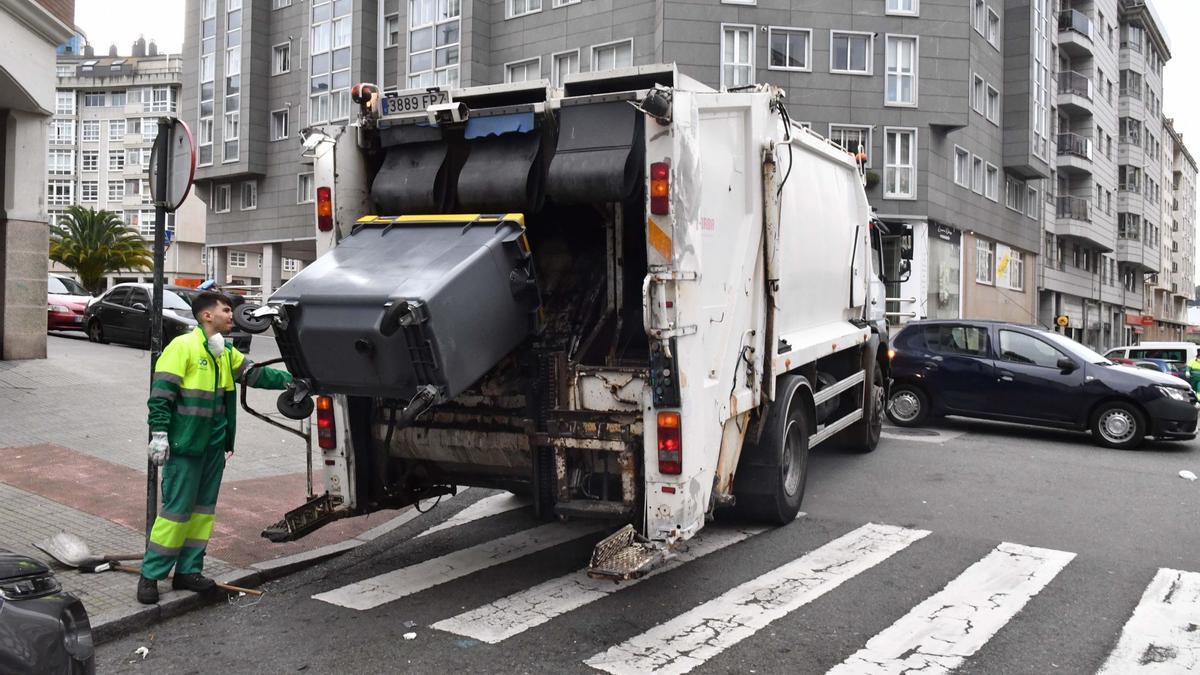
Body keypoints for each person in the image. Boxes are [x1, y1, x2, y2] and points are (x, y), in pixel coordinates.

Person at [138, 291, 293, 604]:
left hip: (213, 448)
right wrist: (159, 434)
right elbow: (161, 395)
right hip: (186, 446)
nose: (231, 315)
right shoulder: (182, 347)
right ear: (206, 316)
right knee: (176, 513)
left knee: (202, 513)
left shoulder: (224, 351)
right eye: (225, 310)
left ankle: (188, 570)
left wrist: (294, 380)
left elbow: (254, 374)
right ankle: (151, 576)